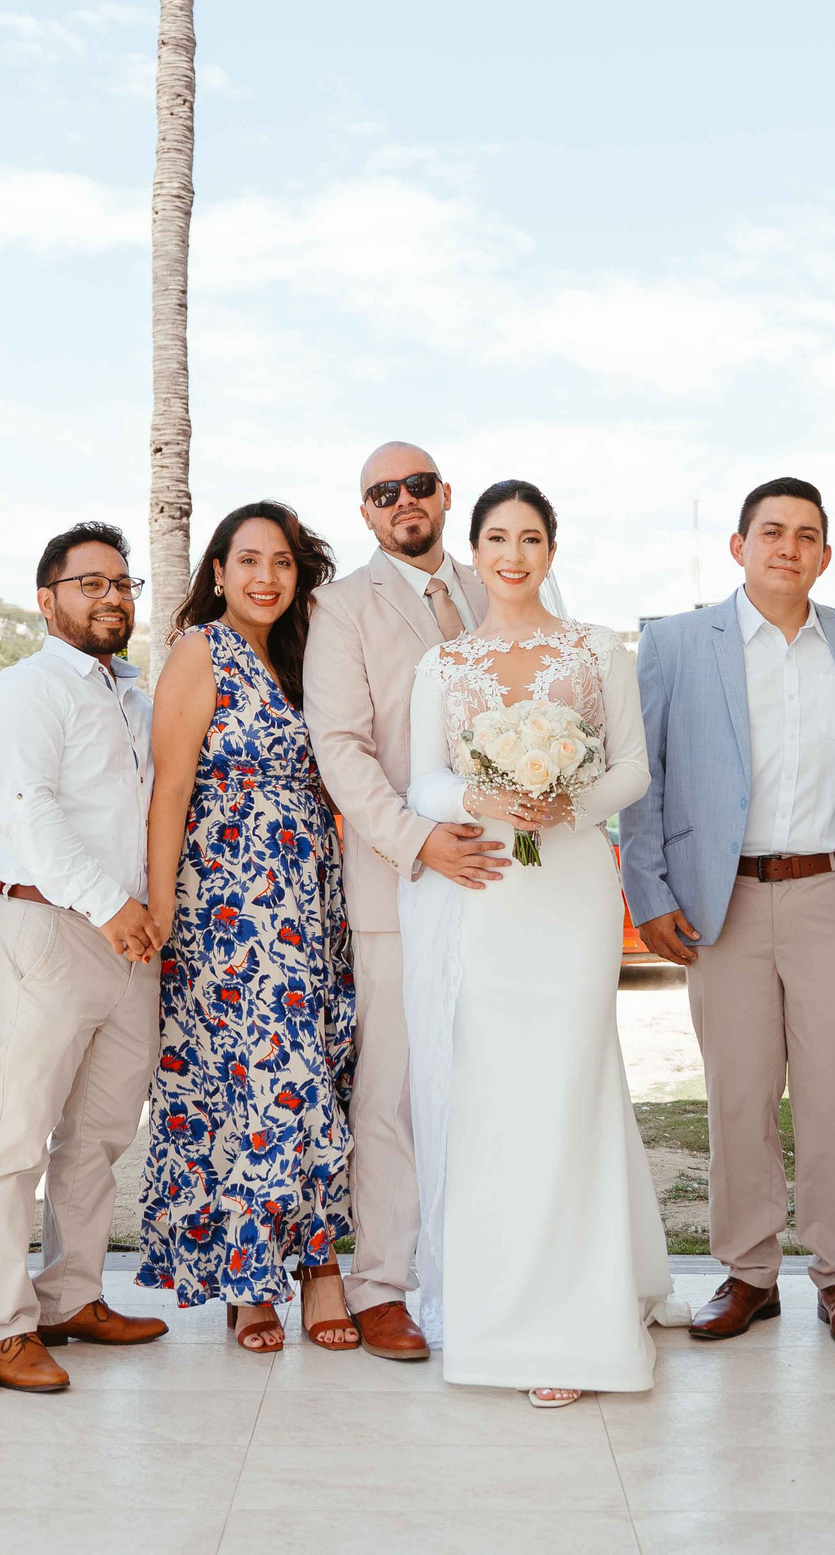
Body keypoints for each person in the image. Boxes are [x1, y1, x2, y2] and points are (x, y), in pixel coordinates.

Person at [403, 480, 681, 1407]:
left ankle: (582, 1319)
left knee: (574, 1084)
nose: (513, 554)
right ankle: (506, 1313)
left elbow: (634, 768)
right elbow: (423, 783)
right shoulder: (442, 665)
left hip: (570, 892)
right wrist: (479, 797)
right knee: (500, 1095)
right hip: (492, 896)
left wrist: (571, 800)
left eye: (530, 537)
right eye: (496, 537)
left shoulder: (597, 649)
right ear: (472, 550)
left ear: (552, 550)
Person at [619, 477, 835, 1350]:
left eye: (806, 534)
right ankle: (746, 1272)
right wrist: (651, 891)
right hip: (721, 896)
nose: (788, 546)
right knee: (737, 1094)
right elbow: (644, 778)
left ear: (824, 552)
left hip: (831, 892)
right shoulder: (672, 643)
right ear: (738, 546)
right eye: (771, 531)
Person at [136, 502, 359, 1354]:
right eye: (249, 560)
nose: (267, 576)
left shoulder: (305, 661)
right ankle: (256, 1280)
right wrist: (161, 910)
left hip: (309, 905)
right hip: (229, 911)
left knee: (317, 1079)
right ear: (219, 572)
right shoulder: (203, 653)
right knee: (258, 1086)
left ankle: (312, 1259)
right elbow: (170, 790)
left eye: (283, 563)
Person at [302, 442, 505, 1362]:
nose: (403, 502)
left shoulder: (496, 580)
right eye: (382, 493)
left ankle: (491, 1270)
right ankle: (383, 1283)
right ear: (366, 514)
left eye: (418, 485)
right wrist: (417, 837)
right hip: (398, 881)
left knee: (496, 1079)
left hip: (510, 880)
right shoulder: (340, 607)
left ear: (444, 494)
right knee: (388, 1088)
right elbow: (339, 747)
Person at [0, 521, 170, 1392]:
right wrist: (113, 905)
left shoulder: (134, 695)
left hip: (132, 941)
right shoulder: (27, 686)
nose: (112, 597)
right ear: (46, 600)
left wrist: (143, 912)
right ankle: (2, 1320)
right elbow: (28, 812)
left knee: (99, 1132)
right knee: (17, 1132)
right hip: (49, 928)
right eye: (90, 583)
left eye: (122, 583)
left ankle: (72, 1294)